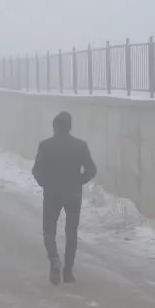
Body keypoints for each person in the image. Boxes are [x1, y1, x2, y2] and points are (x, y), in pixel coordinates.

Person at [31, 111, 97, 286]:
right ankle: (68, 272)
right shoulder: (80, 146)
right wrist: (78, 181)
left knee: (49, 230)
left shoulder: (45, 145)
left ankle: (54, 259)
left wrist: (45, 183)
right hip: (73, 194)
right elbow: (92, 170)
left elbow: (36, 170)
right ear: (69, 127)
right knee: (71, 232)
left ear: (55, 127)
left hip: (52, 193)